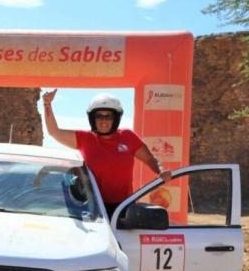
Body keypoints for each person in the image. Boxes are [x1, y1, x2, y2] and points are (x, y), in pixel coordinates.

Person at [42, 89, 172, 218]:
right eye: (99, 116)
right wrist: (47, 105)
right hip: (95, 207)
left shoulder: (128, 136)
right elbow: (54, 132)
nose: (103, 121)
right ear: (92, 118)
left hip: (124, 206)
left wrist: (160, 170)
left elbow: (149, 158)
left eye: (108, 116)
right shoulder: (85, 139)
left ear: (116, 118)